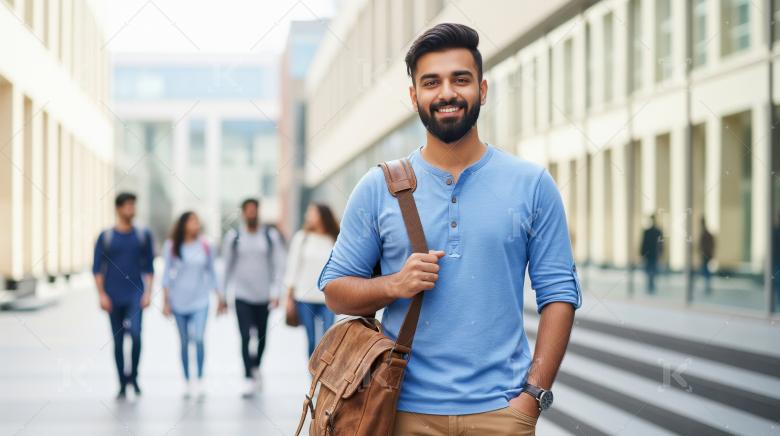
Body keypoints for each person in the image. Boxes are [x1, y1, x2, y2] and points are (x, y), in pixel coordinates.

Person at [319, 24, 581, 434]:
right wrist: (395, 285)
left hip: (502, 415)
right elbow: (335, 291)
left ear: (483, 89)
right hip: (401, 412)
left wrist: (532, 396)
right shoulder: (377, 188)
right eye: (431, 82)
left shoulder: (531, 185)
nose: (446, 93)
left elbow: (560, 295)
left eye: (461, 79)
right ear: (414, 97)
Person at [92, 192, 155, 400]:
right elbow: (97, 269)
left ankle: (134, 376)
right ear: (118, 209)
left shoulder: (143, 235)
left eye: (133, 205)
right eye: (127, 206)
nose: (131, 209)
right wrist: (101, 295)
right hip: (113, 295)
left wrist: (147, 293)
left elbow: (149, 267)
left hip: (135, 294)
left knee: (136, 336)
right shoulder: (106, 237)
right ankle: (121, 382)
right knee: (118, 342)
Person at [222, 198, 287, 397]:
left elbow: (279, 265)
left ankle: (256, 366)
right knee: (244, 336)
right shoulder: (234, 237)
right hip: (241, 295)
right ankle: (248, 376)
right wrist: (223, 295)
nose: (251, 213)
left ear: (258, 212)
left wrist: (276, 292)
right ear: (243, 213)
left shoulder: (270, 236)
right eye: (247, 210)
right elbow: (226, 267)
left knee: (261, 336)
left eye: (254, 210)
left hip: (263, 296)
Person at [161, 212, 223, 399]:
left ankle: (200, 378)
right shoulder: (172, 246)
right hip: (178, 301)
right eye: (192, 221)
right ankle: (187, 380)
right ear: (183, 225)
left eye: (197, 221)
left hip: (200, 300)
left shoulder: (205, 245)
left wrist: (219, 296)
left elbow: (212, 272)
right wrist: (166, 301)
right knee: (184, 341)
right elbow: (166, 275)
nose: (196, 224)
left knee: (198, 338)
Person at [284, 203, 339, 358]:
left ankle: (324, 374)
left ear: (322, 215)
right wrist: (288, 299)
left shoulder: (334, 238)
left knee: (328, 339)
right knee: (312, 339)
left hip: (328, 298)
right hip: (304, 298)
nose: (308, 216)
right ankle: (313, 376)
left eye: (312, 213)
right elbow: (292, 268)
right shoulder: (302, 238)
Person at [640, 214, 663, 294]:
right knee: (651, 269)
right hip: (651, 254)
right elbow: (644, 243)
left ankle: (651, 284)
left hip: (651, 254)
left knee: (651, 269)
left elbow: (660, 244)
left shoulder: (652, 232)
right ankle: (651, 284)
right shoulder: (655, 231)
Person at [698, 216, 715, 295]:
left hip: (706, 254)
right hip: (706, 254)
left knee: (705, 270)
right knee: (705, 270)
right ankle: (707, 285)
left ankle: (707, 285)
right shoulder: (705, 233)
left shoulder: (705, 233)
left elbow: (705, 245)